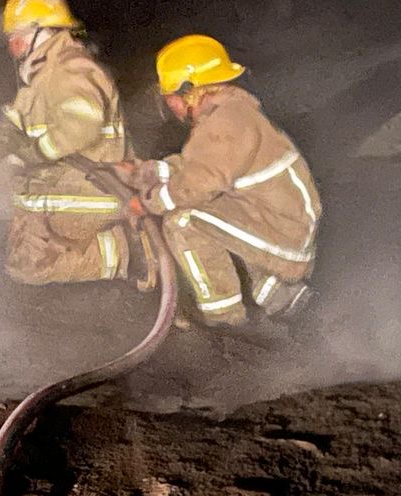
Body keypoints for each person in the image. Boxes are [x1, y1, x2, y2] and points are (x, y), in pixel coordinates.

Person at [128, 34, 319, 326]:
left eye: (170, 98)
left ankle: (222, 318)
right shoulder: (230, 114)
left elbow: (200, 183)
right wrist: (145, 172)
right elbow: (198, 168)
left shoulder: (225, 122)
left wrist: (147, 203)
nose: (169, 106)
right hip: (278, 222)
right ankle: (275, 292)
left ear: (190, 90)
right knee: (210, 206)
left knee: (183, 219)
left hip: (284, 233)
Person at [0, 0, 139, 285]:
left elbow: (81, 126)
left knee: (31, 267)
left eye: (18, 38)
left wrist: (33, 152)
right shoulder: (43, 78)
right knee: (17, 256)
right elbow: (18, 123)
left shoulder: (71, 68)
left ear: (43, 32)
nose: (14, 47)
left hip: (88, 189)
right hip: (59, 184)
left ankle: (130, 252)